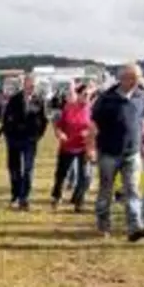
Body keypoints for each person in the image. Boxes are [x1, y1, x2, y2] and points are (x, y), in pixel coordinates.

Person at [88, 63, 144, 242]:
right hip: (109, 152)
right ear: (122, 78)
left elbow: (141, 121)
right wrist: (91, 148)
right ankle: (103, 224)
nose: (135, 82)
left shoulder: (141, 96)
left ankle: (134, 227)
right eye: (132, 78)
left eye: (137, 78)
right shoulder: (106, 99)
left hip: (132, 153)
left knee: (132, 189)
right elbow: (93, 126)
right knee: (106, 190)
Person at [0, 74, 48, 211]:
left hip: (30, 140)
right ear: (24, 84)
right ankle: (15, 195)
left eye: (33, 85)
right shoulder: (14, 100)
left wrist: (38, 135)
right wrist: (7, 135)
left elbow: (43, 121)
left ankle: (24, 198)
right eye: (29, 84)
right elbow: (6, 119)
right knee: (14, 169)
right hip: (14, 140)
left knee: (28, 169)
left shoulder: (39, 101)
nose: (31, 87)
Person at [50, 83, 92, 211]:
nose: (87, 97)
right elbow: (58, 125)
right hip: (67, 146)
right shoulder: (68, 108)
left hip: (83, 147)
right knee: (61, 175)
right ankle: (57, 197)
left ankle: (78, 202)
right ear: (78, 95)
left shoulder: (91, 110)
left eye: (90, 95)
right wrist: (60, 133)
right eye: (85, 94)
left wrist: (90, 134)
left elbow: (96, 127)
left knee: (84, 176)